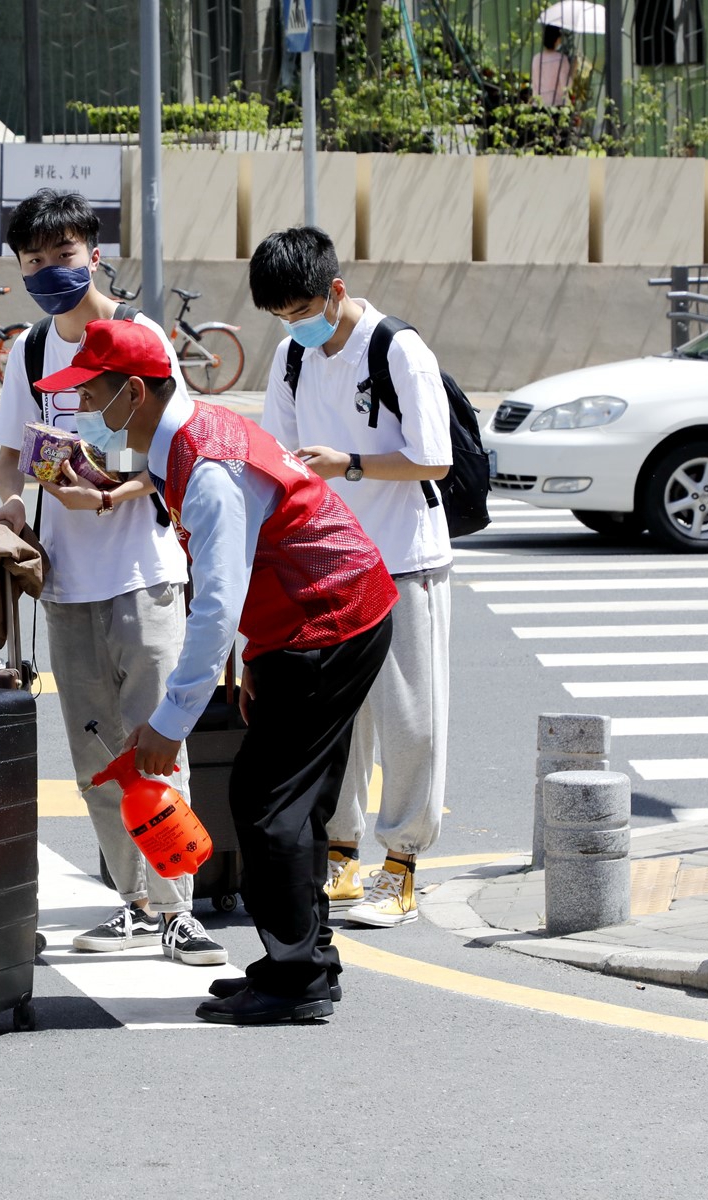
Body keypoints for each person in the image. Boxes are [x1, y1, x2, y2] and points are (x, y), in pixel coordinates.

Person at [35, 317, 396, 1025]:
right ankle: (302, 960)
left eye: (90, 393)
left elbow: (219, 603)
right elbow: (229, 575)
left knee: (269, 807)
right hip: (316, 618)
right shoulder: (184, 440)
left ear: (133, 392)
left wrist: (172, 722)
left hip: (327, 619)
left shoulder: (205, 465)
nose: (80, 410)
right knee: (291, 803)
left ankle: (296, 982)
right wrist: (255, 659)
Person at [0, 188, 226, 968]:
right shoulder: (27, 351)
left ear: (93, 252)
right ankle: (132, 901)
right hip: (65, 583)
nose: (51, 270)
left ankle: (180, 908)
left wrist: (122, 488)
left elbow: (183, 445)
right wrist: (22, 500)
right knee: (95, 762)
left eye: (64, 254)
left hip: (144, 572)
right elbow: (10, 454)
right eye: (35, 259)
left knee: (157, 748)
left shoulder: (138, 332)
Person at [251, 226, 452, 931]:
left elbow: (434, 459)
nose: (294, 327)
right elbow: (276, 455)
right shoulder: (291, 358)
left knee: (408, 721)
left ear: (336, 290)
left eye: (302, 311)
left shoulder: (397, 348)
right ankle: (341, 851)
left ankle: (401, 864)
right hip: (332, 563)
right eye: (281, 318)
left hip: (403, 556)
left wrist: (352, 464)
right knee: (335, 719)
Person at [531, 24, 573, 107]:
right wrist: (573, 70)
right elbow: (565, 86)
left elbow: (535, 84)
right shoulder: (561, 59)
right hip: (557, 104)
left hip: (539, 104)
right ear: (557, 39)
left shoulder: (536, 58)